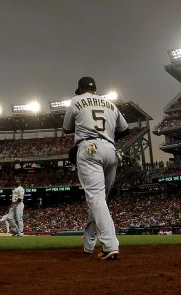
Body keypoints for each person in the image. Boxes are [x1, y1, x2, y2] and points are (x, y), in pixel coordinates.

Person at [63, 76, 129, 261]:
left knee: (97, 199)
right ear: (94, 89)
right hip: (111, 150)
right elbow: (125, 129)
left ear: (80, 89)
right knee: (100, 201)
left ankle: (110, 245)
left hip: (89, 149)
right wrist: (106, 135)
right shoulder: (109, 103)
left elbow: (66, 128)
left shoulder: (76, 100)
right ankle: (89, 243)